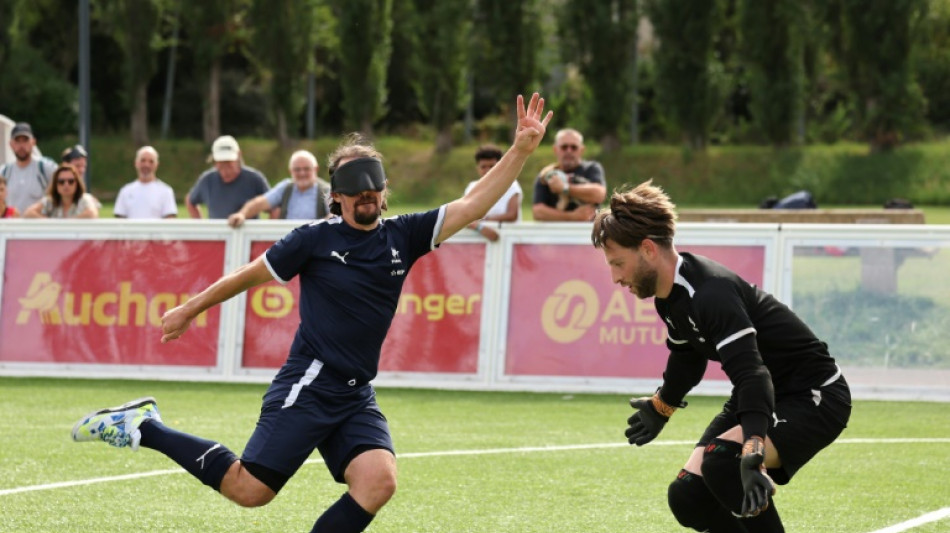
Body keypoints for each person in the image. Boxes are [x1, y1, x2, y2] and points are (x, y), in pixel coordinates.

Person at [70, 93, 553, 533]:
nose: (366, 194)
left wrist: (522, 151)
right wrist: (190, 309)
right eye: (353, 185)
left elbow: (472, 204)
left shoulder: (402, 235)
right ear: (336, 194)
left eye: (374, 186)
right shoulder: (314, 239)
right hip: (311, 383)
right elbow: (248, 274)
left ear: (384, 192)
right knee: (249, 490)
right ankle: (145, 426)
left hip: (355, 391)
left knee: (378, 481)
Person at [590, 180, 851, 532]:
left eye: (618, 263)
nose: (615, 277)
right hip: (761, 394)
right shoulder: (669, 298)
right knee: (687, 496)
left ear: (648, 249)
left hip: (813, 394)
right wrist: (661, 405)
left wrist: (753, 448)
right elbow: (687, 360)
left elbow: (752, 374)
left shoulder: (709, 293)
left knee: (723, 463)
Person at [228, 149, 330, 228]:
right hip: (288, 242)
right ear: (290, 171)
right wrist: (242, 214)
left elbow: (335, 216)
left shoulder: (326, 190)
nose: (302, 173)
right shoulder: (286, 187)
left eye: (306, 169)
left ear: (316, 169)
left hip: (315, 243)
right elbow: (260, 203)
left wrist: (314, 229)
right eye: (297, 169)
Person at [186, 135, 270, 219]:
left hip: (247, 231)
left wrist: (270, 231)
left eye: (229, 164)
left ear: (239, 156)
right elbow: (190, 200)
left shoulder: (254, 179)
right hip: (217, 231)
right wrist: (201, 227)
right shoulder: (207, 180)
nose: (225, 171)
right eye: (221, 165)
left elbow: (274, 206)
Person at [532, 128, 606, 222]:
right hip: (556, 234)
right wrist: (572, 217)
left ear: (582, 150)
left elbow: (599, 195)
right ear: (555, 149)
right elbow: (538, 212)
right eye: (564, 147)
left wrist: (565, 188)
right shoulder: (547, 174)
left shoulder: (591, 168)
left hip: (589, 234)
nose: (569, 151)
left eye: (574, 147)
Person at [462, 144, 522, 242]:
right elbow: (463, 216)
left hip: (507, 241)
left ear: (501, 166)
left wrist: (483, 222)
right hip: (478, 243)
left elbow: (512, 215)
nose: (487, 170)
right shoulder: (472, 188)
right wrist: (481, 228)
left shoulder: (511, 185)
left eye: (492, 166)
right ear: (478, 168)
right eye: (483, 167)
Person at [0, 122, 58, 213]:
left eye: (25, 140)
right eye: (17, 141)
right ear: (11, 144)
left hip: (38, 225)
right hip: (11, 225)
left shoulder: (45, 167)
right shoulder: (4, 171)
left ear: (33, 142)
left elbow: (66, 187)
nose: (21, 146)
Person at [114, 146, 178, 219]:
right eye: (143, 160)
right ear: (136, 163)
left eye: (151, 161)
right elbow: (119, 222)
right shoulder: (125, 191)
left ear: (157, 165)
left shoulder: (166, 191)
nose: (146, 165)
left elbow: (170, 220)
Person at [22, 164, 99, 218]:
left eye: (71, 181)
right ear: (56, 184)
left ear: (77, 184)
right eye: (61, 181)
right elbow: (28, 213)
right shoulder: (50, 200)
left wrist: (67, 223)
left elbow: (92, 213)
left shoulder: (84, 199)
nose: (66, 185)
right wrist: (48, 222)